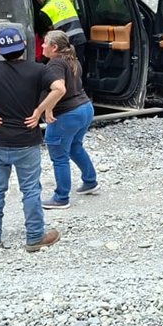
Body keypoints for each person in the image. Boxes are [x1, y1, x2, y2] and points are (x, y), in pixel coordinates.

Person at [0, 27, 62, 252]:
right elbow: (59, 88)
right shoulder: (38, 70)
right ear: (23, 47)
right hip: (27, 141)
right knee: (31, 190)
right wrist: (39, 111)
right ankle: (35, 237)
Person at [41, 29, 99, 209]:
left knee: (59, 156)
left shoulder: (55, 64)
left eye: (45, 42)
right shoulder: (73, 60)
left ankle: (61, 197)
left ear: (54, 47)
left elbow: (59, 89)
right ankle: (90, 181)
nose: (42, 45)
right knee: (75, 146)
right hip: (85, 109)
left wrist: (47, 108)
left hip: (67, 114)